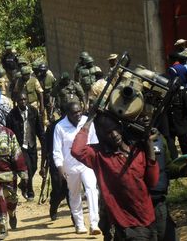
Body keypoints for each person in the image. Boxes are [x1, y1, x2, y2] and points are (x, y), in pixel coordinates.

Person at [71, 112, 159, 240]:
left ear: (121, 127)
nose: (114, 135)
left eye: (115, 129)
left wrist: (149, 144)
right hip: (126, 224)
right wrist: (89, 121)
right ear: (101, 136)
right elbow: (77, 150)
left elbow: (152, 181)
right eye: (108, 132)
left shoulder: (137, 149)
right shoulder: (99, 156)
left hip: (147, 217)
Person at [53, 102, 100, 235]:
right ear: (67, 114)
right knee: (74, 194)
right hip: (70, 166)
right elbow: (57, 151)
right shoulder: (60, 127)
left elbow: (93, 143)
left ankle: (94, 223)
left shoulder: (87, 121)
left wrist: (95, 163)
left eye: (80, 111)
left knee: (92, 189)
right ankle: (79, 224)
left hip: (86, 164)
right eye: (75, 112)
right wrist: (60, 168)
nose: (78, 114)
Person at [6, 93, 45, 201]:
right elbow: (9, 132)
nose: (22, 101)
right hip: (20, 146)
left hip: (31, 144)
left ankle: (23, 184)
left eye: (24, 99)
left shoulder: (33, 111)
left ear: (27, 100)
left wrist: (43, 142)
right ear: (17, 102)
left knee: (34, 167)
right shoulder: (12, 115)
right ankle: (30, 191)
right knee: (27, 168)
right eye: (20, 100)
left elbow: (39, 128)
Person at [42, 113, 70, 221]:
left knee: (70, 191)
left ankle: (75, 217)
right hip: (56, 163)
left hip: (71, 162)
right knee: (58, 189)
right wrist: (43, 165)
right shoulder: (53, 126)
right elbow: (46, 147)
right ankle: (53, 206)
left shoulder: (77, 125)